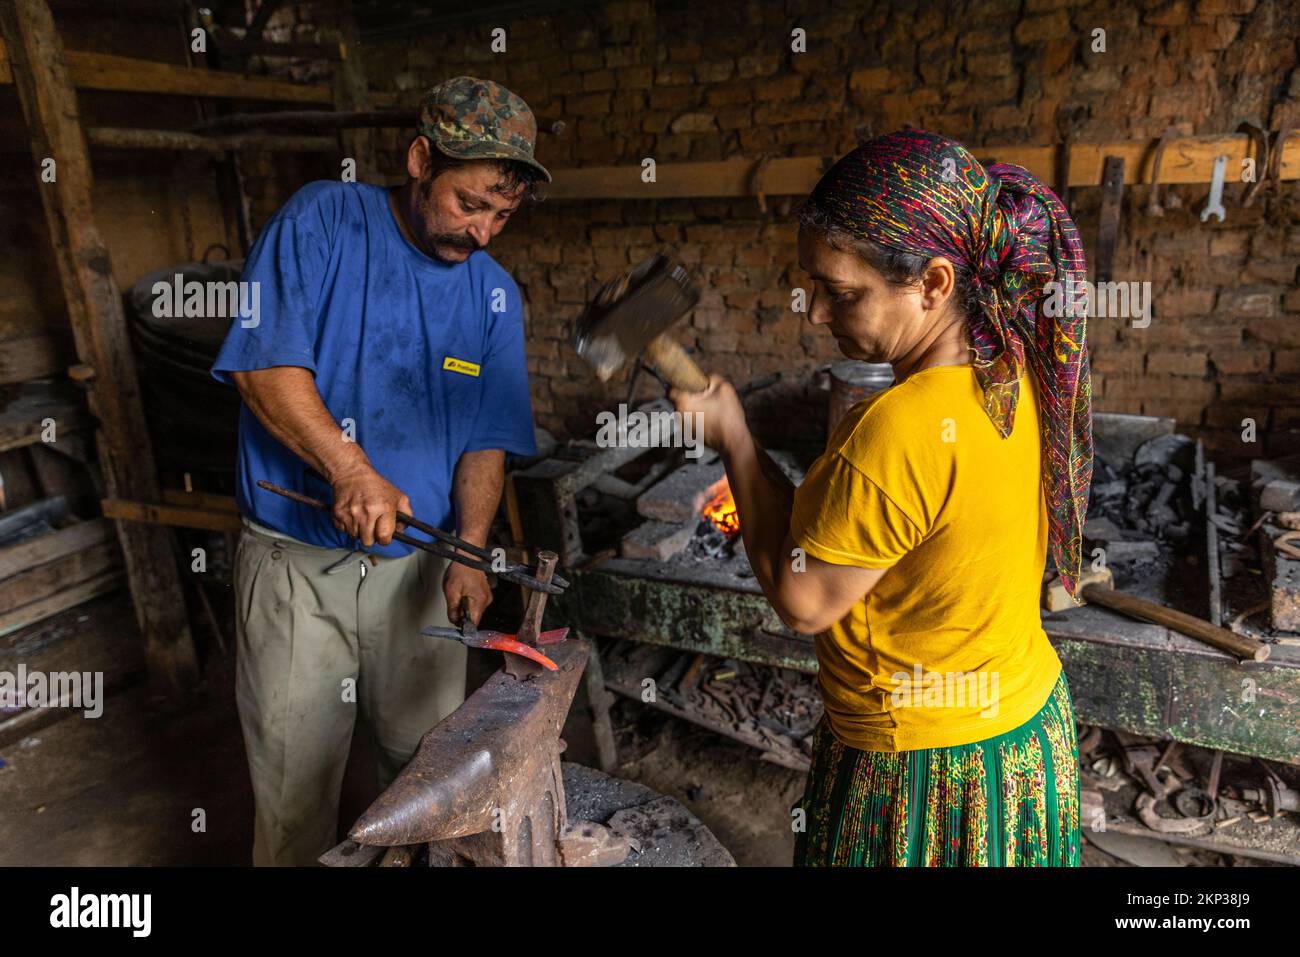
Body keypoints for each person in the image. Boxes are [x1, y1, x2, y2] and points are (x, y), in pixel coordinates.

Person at [670, 129, 1089, 866]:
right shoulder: (1012, 365)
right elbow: (858, 525)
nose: (818, 315)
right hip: (1024, 734)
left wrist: (735, 439)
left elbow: (805, 601)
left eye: (841, 293)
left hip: (927, 769)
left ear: (932, 283)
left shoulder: (898, 428)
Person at [210, 76, 548, 866]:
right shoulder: (321, 220)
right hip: (297, 565)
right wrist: (349, 466)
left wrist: (468, 546)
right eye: (471, 204)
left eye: (503, 215)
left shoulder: (496, 297)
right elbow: (265, 366)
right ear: (420, 159)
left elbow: (485, 440)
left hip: (419, 576)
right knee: (296, 797)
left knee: (426, 782)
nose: (485, 233)